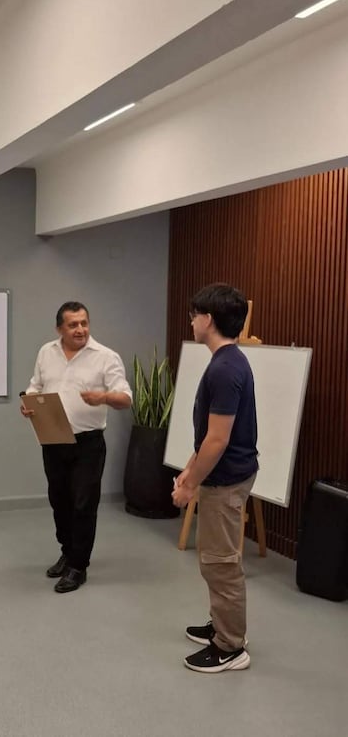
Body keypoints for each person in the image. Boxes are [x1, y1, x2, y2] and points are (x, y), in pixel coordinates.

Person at [172, 283, 258, 673]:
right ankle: (221, 625)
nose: (191, 320)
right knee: (214, 560)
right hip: (222, 476)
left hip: (225, 481)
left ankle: (230, 646)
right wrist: (190, 471)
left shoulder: (225, 368)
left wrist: (190, 484)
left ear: (208, 319)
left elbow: (218, 440)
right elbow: (207, 435)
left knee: (221, 563)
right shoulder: (227, 360)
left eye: (195, 314)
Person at [22, 301, 132, 593]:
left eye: (84, 323)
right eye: (73, 325)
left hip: (88, 444)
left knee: (84, 504)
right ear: (60, 328)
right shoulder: (47, 352)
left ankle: (78, 567)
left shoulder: (106, 357)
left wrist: (105, 397)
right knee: (59, 501)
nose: (80, 329)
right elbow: (35, 385)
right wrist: (30, 402)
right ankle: (67, 551)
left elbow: (126, 398)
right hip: (53, 438)